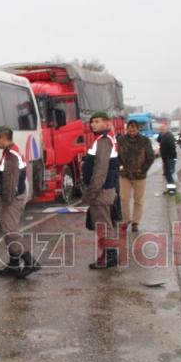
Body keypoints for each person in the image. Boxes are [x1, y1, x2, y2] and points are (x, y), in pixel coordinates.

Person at [0, 125, 40, 278]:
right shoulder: (11, 152)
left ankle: (30, 261)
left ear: (3, 137)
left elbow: (10, 181)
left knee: (11, 231)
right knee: (9, 230)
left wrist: (6, 199)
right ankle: (13, 265)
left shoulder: (11, 155)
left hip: (12, 198)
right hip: (14, 196)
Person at [83, 112, 120, 270]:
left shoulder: (104, 141)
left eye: (97, 121)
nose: (93, 124)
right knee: (103, 224)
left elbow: (100, 170)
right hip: (103, 189)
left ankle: (109, 257)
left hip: (101, 191)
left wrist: (92, 191)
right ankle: (107, 255)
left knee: (103, 225)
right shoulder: (102, 139)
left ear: (106, 123)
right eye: (92, 122)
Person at [117, 120, 154, 233]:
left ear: (138, 129)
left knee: (138, 200)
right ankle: (126, 220)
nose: (131, 132)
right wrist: (120, 167)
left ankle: (135, 222)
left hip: (139, 176)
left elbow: (150, 156)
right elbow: (116, 156)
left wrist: (143, 169)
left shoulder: (145, 141)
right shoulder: (121, 140)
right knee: (124, 198)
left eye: (134, 130)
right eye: (129, 129)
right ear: (127, 129)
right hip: (125, 175)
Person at [157, 121, 178, 194]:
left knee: (169, 174)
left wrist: (170, 157)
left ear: (166, 129)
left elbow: (172, 148)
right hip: (166, 158)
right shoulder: (163, 136)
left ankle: (172, 190)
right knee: (167, 174)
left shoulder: (169, 136)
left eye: (162, 129)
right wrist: (160, 133)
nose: (161, 131)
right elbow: (158, 140)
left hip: (170, 158)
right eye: (160, 129)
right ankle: (170, 189)